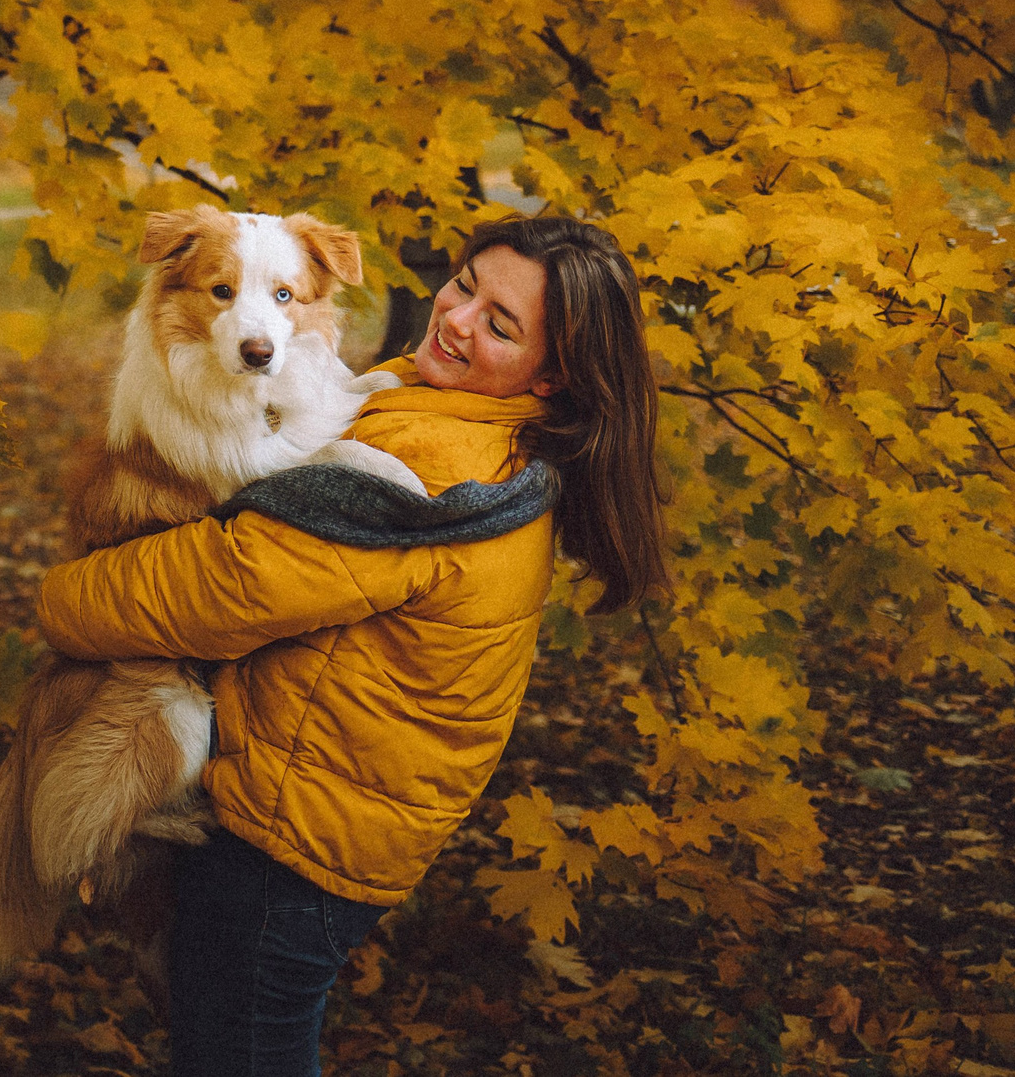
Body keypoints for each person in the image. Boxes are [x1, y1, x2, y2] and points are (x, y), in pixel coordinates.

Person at [35, 214, 668, 1077]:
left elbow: (219, 586)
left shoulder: (426, 473)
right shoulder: (462, 415)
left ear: (550, 375)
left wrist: (59, 598)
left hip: (286, 847)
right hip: (339, 820)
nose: (456, 317)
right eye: (467, 283)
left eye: (500, 324)